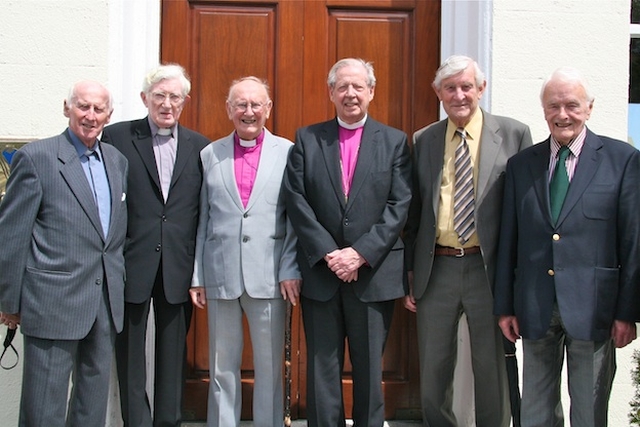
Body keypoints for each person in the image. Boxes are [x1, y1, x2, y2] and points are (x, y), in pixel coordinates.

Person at [494, 67, 640, 426]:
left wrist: (627, 312)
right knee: (535, 412)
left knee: (590, 413)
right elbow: (508, 240)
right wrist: (505, 306)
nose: (562, 115)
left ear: (589, 108)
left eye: (572, 105)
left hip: (596, 310)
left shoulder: (622, 160)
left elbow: (633, 241)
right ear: (544, 111)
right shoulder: (521, 166)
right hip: (535, 305)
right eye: (553, 106)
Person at [402, 55, 532, 427]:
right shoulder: (424, 139)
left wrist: (519, 278)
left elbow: (526, 212)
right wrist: (411, 271)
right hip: (437, 267)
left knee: (491, 369)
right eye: (450, 88)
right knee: (434, 369)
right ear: (438, 93)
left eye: (466, 87)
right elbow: (415, 214)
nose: (459, 95)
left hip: (487, 269)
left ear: (481, 89)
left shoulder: (514, 134)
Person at [284, 58, 412, 427]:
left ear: (371, 92)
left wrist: (359, 254)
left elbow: (399, 204)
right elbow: (297, 200)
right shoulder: (308, 139)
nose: (350, 94)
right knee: (322, 367)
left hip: (372, 276)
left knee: (370, 367)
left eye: (358, 86)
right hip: (322, 276)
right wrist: (330, 254)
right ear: (331, 93)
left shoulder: (393, 142)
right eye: (343, 87)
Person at [0, 80, 128, 426]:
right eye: (82, 106)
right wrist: (9, 304)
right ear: (66, 108)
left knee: (91, 405)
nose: (90, 115)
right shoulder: (37, 158)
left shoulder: (116, 162)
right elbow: (12, 235)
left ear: (109, 115)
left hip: (104, 303)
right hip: (52, 302)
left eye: (98, 109)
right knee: (44, 407)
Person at [101, 64, 210, 427]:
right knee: (129, 355)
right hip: (130, 263)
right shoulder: (116, 137)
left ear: (185, 101)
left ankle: (168, 421)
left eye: (174, 97)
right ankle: (136, 422)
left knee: (172, 355)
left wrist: (199, 271)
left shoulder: (200, 146)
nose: (166, 104)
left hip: (178, 266)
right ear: (145, 98)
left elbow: (202, 211)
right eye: (159, 96)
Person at [189, 76, 301, 427]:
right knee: (222, 364)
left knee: (269, 366)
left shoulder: (287, 152)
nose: (248, 111)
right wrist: (198, 276)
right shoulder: (210, 154)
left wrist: (290, 268)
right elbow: (203, 220)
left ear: (268, 108)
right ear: (228, 109)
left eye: (256, 104)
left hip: (269, 278)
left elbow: (296, 219)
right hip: (220, 275)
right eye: (241, 104)